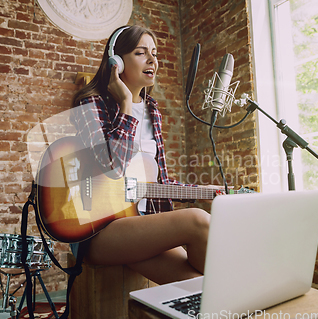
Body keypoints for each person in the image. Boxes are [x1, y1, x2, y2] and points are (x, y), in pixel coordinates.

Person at [70, 25, 216, 284]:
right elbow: (109, 167)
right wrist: (126, 105)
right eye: (141, 53)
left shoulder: (153, 111)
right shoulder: (90, 103)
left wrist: (204, 191)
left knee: (204, 286)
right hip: (99, 229)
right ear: (117, 62)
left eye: (155, 53)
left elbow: (154, 184)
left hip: (143, 224)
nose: (152, 60)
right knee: (197, 221)